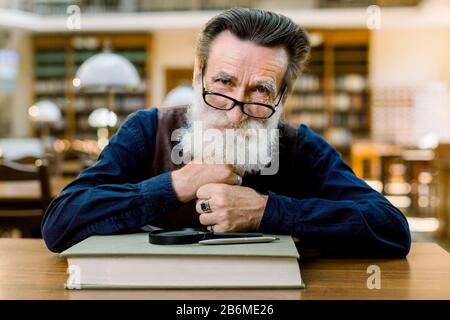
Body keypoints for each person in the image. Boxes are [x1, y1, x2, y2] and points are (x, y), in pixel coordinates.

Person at [42, 7, 411, 257]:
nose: (235, 115)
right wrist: (175, 185)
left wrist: (269, 211)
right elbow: (60, 225)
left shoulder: (301, 147)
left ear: (283, 96)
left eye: (260, 91)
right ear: (197, 76)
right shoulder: (147, 129)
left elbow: (392, 230)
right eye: (223, 83)